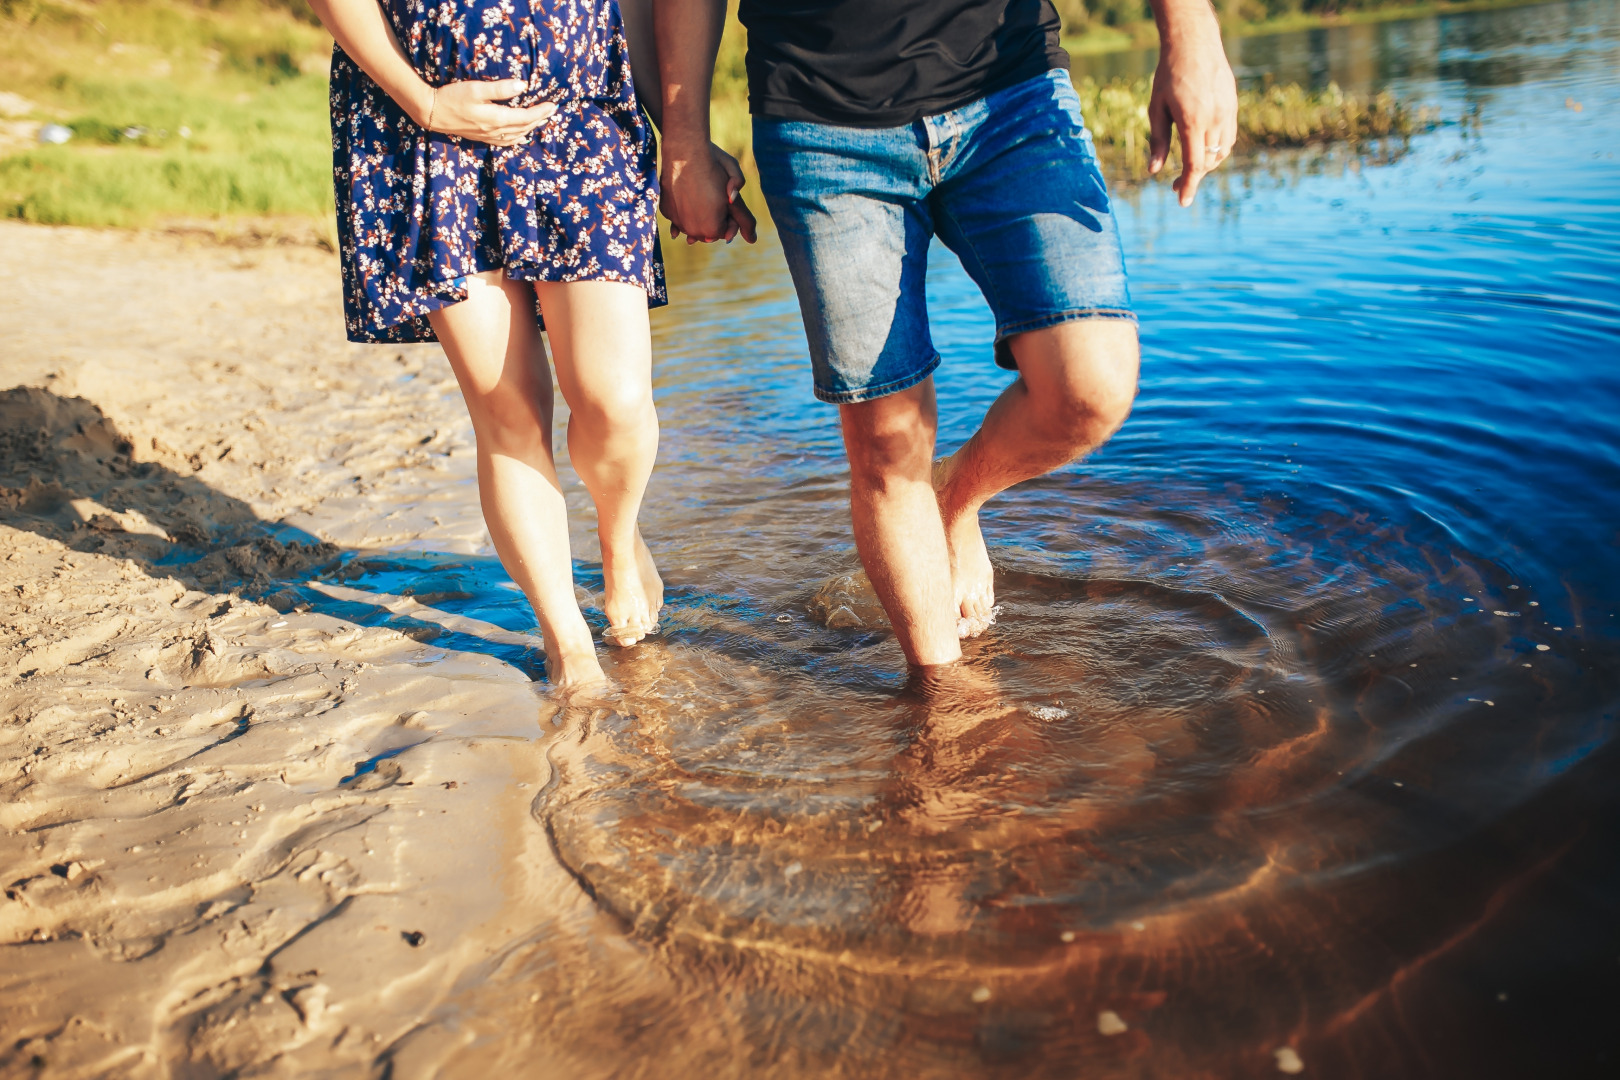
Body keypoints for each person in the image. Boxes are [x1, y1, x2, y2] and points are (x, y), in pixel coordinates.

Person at [656, 0, 1237, 671]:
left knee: (1092, 386)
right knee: (886, 439)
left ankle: (955, 498)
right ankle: (942, 696)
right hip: (819, 119)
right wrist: (683, 138)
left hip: (1010, 91)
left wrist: (1189, 30)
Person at [309, 0, 742, 689]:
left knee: (615, 398)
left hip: (585, 118)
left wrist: (682, 138)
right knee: (507, 407)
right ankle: (567, 644)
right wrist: (422, 102)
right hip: (427, 133)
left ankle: (618, 536)